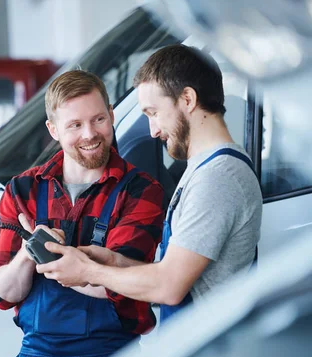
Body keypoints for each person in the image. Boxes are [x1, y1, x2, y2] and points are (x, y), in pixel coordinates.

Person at [36, 44, 263, 324]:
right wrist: (113, 261)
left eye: (153, 112)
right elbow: (174, 271)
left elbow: (169, 286)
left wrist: (88, 272)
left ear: (188, 99)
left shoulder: (219, 178)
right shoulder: (204, 171)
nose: (154, 131)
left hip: (215, 355)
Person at [0, 70, 165, 357]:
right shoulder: (22, 190)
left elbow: (131, 284)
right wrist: (28, 254)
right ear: (53, 130)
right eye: (75, 125)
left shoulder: (141, 190)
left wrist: (75, 265)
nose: (90, 134)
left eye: (99, 119)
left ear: (111, 115)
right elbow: (1, 294)